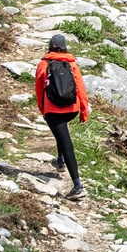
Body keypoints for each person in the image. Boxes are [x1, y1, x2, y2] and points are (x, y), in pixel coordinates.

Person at [33, 33, 90, 198]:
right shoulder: (71, 64)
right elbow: (80, 88)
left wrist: (43, 110)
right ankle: (59, 161)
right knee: (62, 132)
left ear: (50, 46)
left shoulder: (43, 64)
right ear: (65, 48)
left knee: (66, 143)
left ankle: (78, 186)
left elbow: (39, 90)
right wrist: (84, 111)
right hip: (72, 109)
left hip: (53, 111)